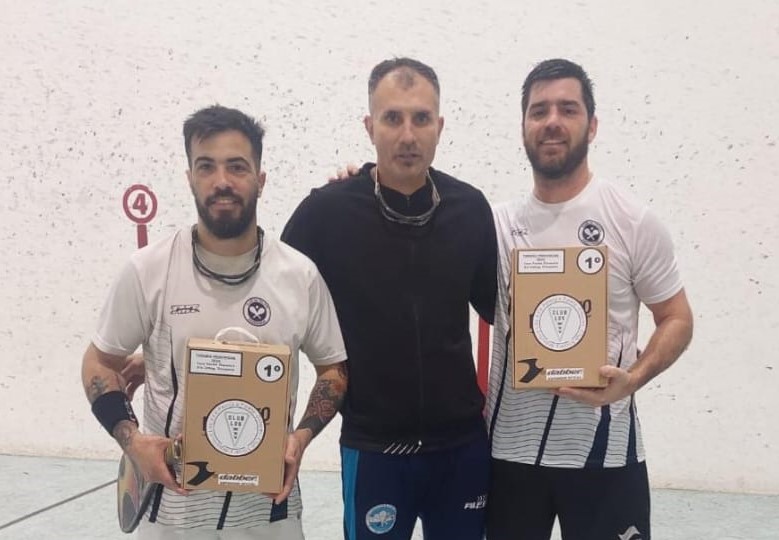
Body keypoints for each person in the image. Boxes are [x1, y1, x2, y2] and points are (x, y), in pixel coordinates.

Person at [81, 105, 348, 539]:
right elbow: (98, 363)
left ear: (261, 179)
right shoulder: (148, 271)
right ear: (189, 177)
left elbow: (333, 370)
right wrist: (131, 440)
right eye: (206, 166)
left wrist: (300, 437)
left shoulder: (300, 276)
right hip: (171, 517)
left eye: (237, 167)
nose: (222, 181)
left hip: (270, 516)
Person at [282, 57, 497, 540]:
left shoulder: (471, 208)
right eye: (392, 118)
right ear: (369, 126)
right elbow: (269, 298)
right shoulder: (327, 211)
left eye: (421, 118)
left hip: (461, 448)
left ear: (439, 127)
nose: (407, 135)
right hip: (375, 451)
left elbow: (503, 309)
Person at [485, 58, 694, 540]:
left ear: (592, 125)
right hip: (510, 456)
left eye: (568, 109)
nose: (552, 121)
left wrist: (634, 379)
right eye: (538, 111)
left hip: (606, 453)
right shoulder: (491, 225)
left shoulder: (633, 220)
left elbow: (677, 318)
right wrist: (364, 183)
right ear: (523, 127)